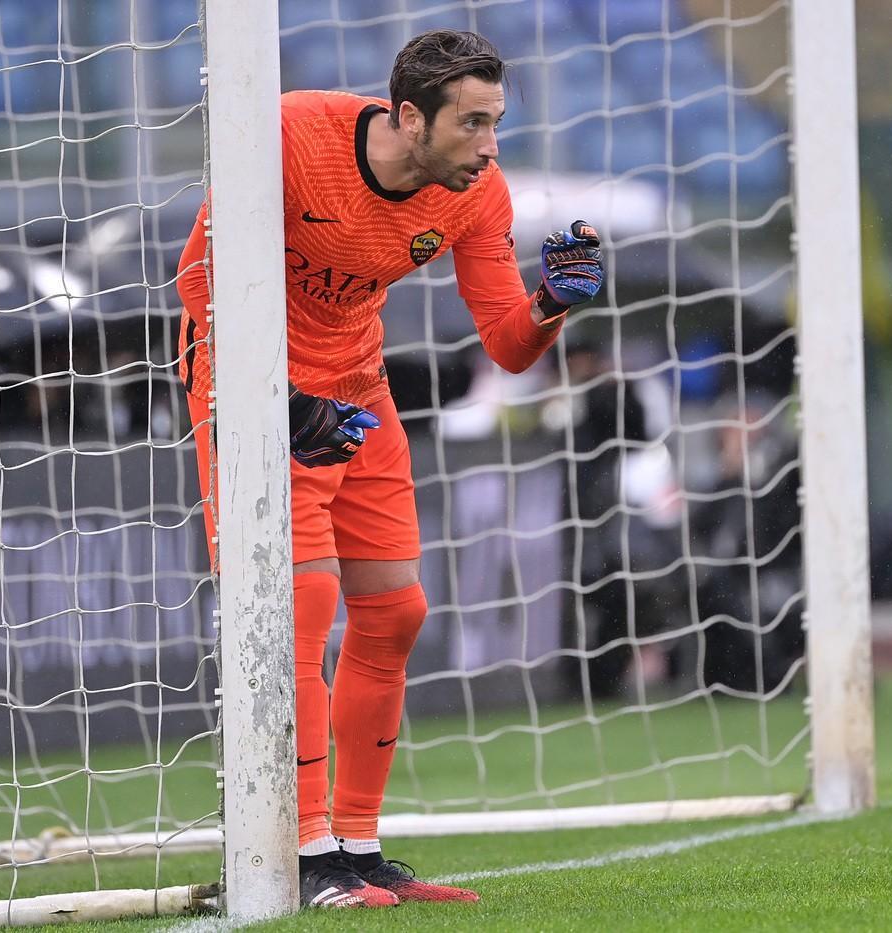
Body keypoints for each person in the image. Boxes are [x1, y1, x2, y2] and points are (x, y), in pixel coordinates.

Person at [175, 30, 604, 909]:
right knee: (303, 604)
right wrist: (276, 403)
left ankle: (358, 846)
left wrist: (554, 302)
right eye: (472, 124)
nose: (490, 146)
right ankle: (300, 850)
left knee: (398, 609)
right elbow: (198, 280)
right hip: (250, 387)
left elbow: (508, 346)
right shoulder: (292, 134)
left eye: (496, 123)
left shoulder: (476, 194)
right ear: (410, 116)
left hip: (358, 391)